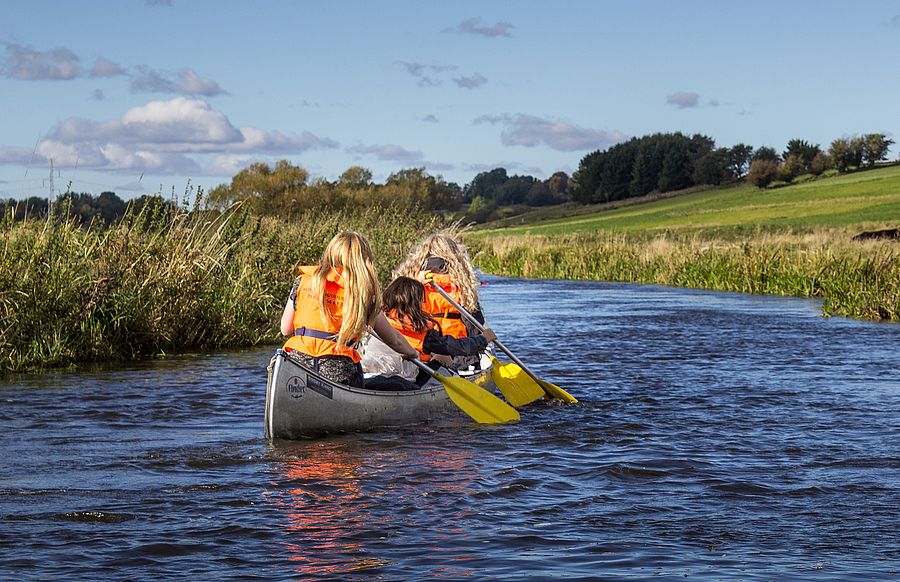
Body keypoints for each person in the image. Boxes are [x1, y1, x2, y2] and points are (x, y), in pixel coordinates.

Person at [280, 231, 418, 388]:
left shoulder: (303, 281)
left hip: (297, 364)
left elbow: (285, 329)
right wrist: (413, 354)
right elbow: (394, 340)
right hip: (338, 371)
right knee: (392, 383)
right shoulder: (362, 293)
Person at [361, 277, 496, 390]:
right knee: (440, 360)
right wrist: (483, 339)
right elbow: (459, 347)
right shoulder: (419, 331)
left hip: (366, 373)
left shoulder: (377, 317)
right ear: (415, 305)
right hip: (398, 379)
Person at [393, 232, 485, 340]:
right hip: (457, 343)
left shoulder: (411, 280)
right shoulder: (460, 283)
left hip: (423, 343)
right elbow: (475, 323)